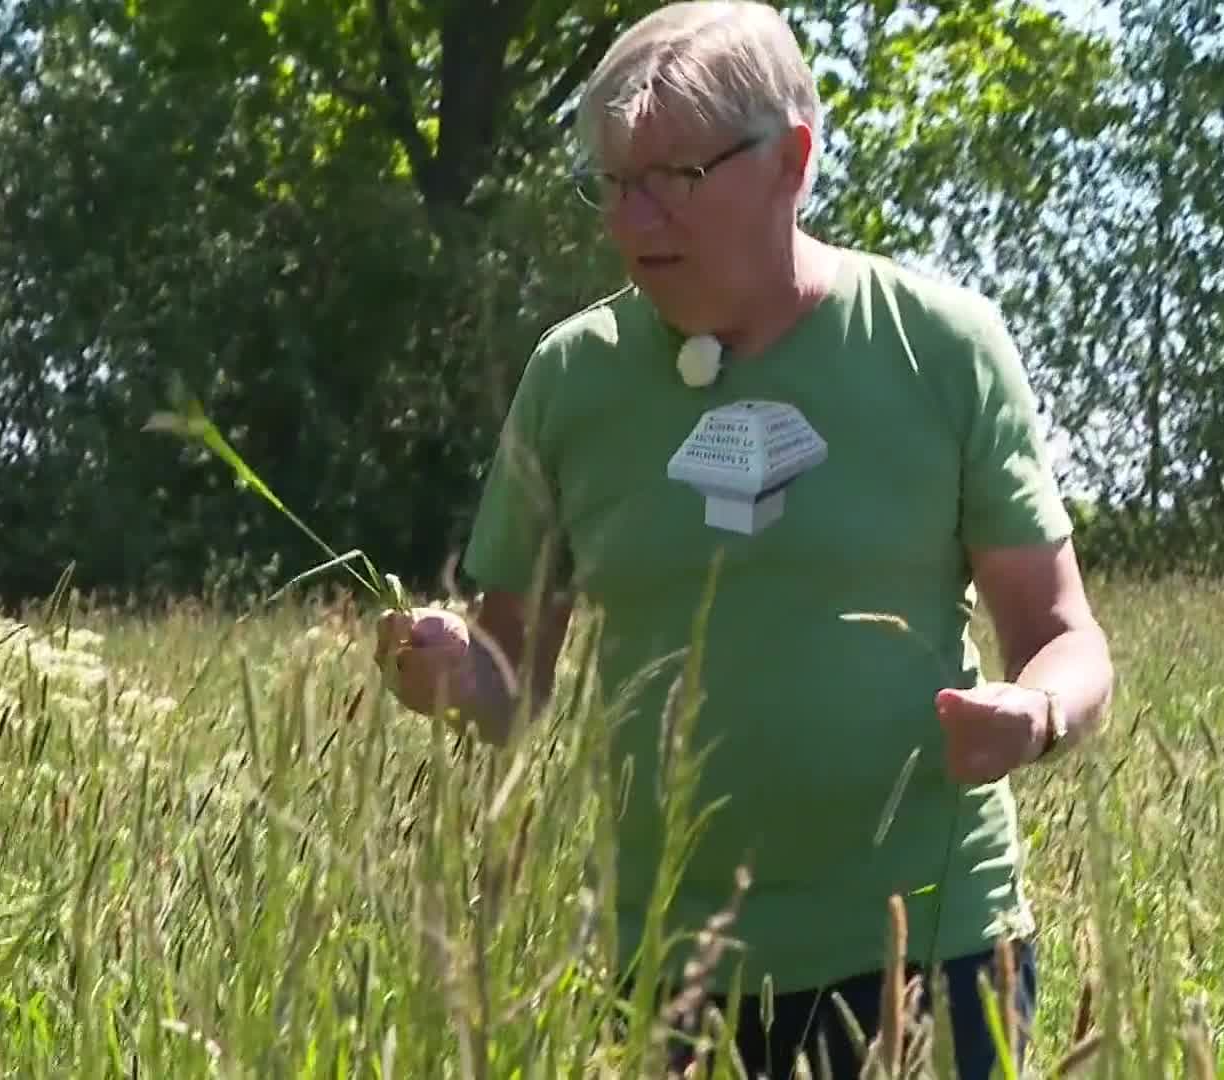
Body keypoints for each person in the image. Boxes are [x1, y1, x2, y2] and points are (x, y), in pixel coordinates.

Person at [372, 2, 1115, 1077]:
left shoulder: (941, 347)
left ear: (790, 164)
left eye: (673, 178)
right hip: (673, 971)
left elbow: (1064, 635)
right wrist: (452, 676)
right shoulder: (570, 379)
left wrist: (1035, 711)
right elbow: (512, 677)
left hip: (935, 953)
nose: (634, 222)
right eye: (614, 184)